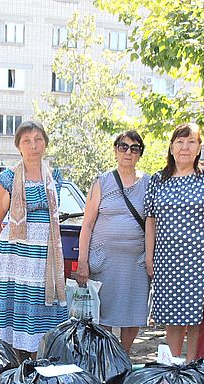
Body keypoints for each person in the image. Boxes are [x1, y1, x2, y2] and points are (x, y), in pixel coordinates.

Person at [144, 122, 204, 362]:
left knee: (198, 316)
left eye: (191, 141)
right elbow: (150, 221)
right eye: (180, 142)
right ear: (171, 147)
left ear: (199, 147)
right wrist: (149, 257)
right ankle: (173, 365)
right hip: (167, 260)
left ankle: (193, 365)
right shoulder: (157, 180)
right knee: (173, 315)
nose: (185, 147)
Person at [0, 121, 67, 359]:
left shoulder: (55, 177)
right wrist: (3, 257)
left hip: (45, 258)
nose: (33, 146)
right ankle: (16, 371)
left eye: (38, 139)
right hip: (15, 260)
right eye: (27, 141)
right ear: (18, 146)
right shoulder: (9, 178)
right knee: (16, 313)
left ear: (45, 143)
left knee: (42, 309)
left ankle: (39, 368)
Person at [76, 130, 150, 353]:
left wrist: (151, 258)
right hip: (104, 261)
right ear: (116, 150)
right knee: (103, 313)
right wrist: (82, 261)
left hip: (135, 263)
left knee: (133, 313)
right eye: (123, 147)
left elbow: (153, 223)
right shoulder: (102, 182)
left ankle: (124, 356)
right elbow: (87, 224)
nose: (128, 152)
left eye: (134, 148)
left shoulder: (149, 183)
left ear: (139, 154)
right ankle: (106, 358)